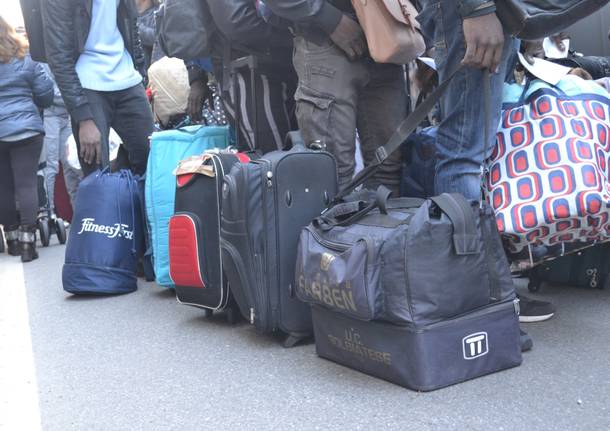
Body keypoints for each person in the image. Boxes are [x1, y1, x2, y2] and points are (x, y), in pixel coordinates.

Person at [415, 0, 556, 329]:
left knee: (471, 148)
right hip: (474, 10)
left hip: (491, 11)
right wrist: (476, 9)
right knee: (464, 151)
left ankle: (484, 290)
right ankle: (480, 297)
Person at [261, 0, 408, 194]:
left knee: (387, 172)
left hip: (386, 38)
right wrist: (329, 18)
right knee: (332, 176)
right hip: (329, 37)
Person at [42, 0, 154, 177]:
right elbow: (58, 55)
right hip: (86, 84)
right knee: (97, 175)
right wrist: (83, 117)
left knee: (152, 164)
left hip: (127, 77)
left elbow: (131, 26)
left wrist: (140, 74)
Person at [186, 0, 297, 154]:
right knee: (275, 159)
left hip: (256, 69)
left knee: (272, 158)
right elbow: (236, 21)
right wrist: (293, 37)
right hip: (250, 73)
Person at [0, 15, 54, 262]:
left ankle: (10, 240)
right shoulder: (26, 57)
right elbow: (45, 94)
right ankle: (27, 245)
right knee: (27, 184)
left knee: (4, 186)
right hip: (28, 131)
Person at [42, 64, 83, 211]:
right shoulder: (40, 57)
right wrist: (78, 97)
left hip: (68, 113)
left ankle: (80, 213)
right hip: (49, 115)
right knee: (50, 166)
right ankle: (49, 214)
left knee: (72, 163)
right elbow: (47, 93)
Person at [136, 0, 162, 71]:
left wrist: (135, 27)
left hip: (148, 76)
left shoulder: (158, 14)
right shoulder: (127, 15)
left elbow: (158, 38)